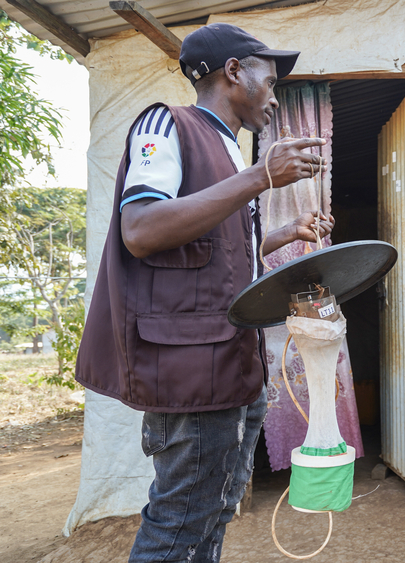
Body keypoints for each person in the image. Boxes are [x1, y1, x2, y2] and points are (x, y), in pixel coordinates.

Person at [75, 23, 335, 562]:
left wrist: (281, 234)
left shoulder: (230, 152)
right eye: (270, 77)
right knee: (179, 523)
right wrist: (262, 177)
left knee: (213, 512)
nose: (275, 94)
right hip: (192, 373)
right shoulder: (166, 124)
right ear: (234, 71)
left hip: (234, 366)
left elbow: (211, 256)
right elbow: (141, 230)